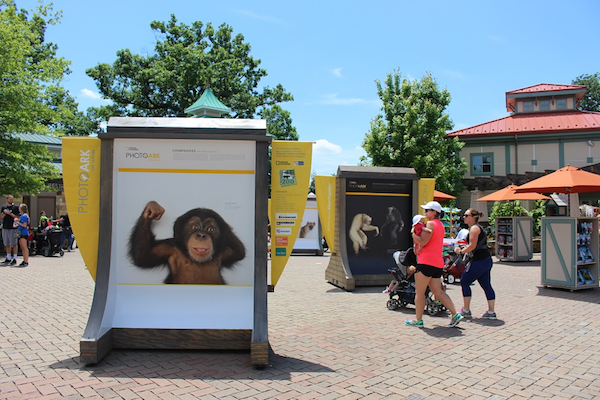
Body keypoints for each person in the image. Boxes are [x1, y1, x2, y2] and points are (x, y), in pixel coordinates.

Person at [405, 201, 463, 328]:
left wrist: (413, 233)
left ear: (434, 212)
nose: (425, 213)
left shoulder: (430, 224)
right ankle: (455, 314)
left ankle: (418, 320)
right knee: (438, 291)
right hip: (437, 262)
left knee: (420, 292)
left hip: (426, 262)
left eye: (427, 210)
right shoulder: (440, 225)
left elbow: (423, 241)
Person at [454, 208, 496, 320]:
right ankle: (491, 312)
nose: (464, 217)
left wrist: (461, 251)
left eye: (466, 215)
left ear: (473, 217)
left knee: (464, 281)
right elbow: (474, 246)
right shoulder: (478, 228)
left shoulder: (474, 228)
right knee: (486, 285)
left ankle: (466, 310)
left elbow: (472, 246)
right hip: (486, 260)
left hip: (479, 261)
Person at [2, 195, 21, 266]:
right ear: (7, 199)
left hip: (14, 228)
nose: (11, 200)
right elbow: (2, 217)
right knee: (6, 243)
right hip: (5, 227)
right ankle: (8, 257)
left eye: (12, 199)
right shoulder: (4, 207)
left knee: (14, 243)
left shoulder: (16, 207)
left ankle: (15, 258)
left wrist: (9, 213)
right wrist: (2, 215)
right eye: (10, 199)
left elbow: (18, 217)